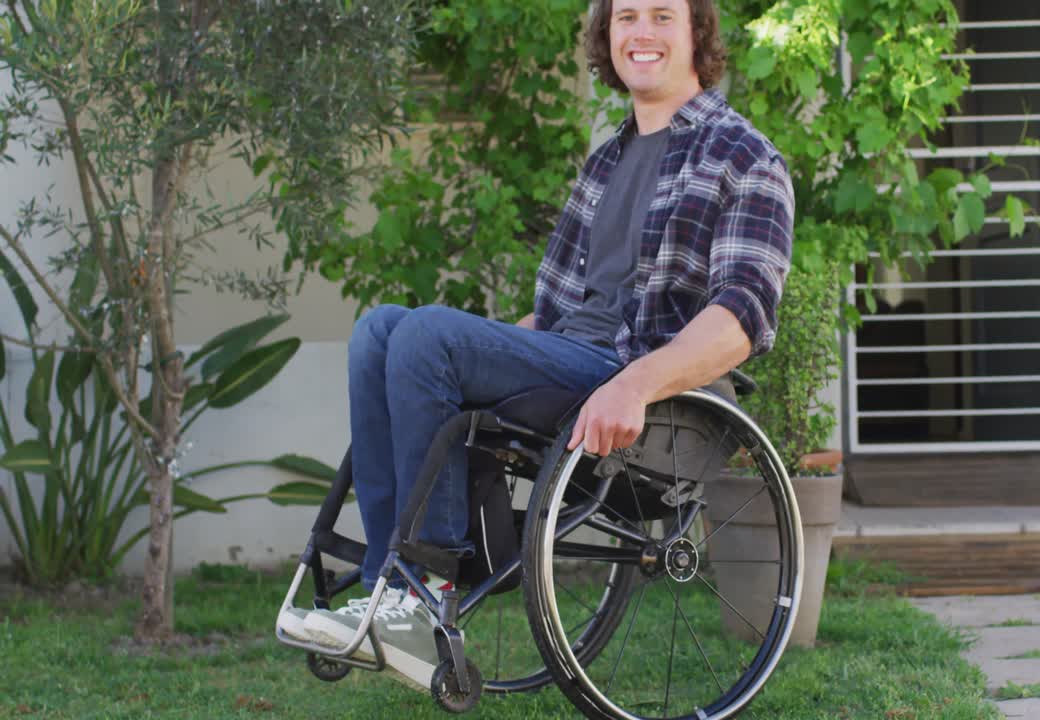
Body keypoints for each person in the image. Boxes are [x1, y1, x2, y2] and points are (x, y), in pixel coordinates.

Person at [279, 0, 794, 692]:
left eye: (662, 16)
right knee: (382, 331)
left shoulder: (744, 156)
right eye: (625, 17)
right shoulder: (608, 158)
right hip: (570, 360)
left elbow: (741, 317)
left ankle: (425, 594)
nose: (640, 33)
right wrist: (475, 344)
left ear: (697, 33)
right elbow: (558, 313)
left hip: (639, 379)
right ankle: (386, 590)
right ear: (605, 36)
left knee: (427, 332)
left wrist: (637, 384)